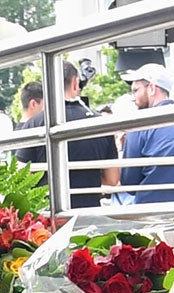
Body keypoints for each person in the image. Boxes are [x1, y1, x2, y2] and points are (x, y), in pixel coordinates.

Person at [16, 62, 118, 209]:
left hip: (46, 214)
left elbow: (20, 175)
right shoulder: (100, 124)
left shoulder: (35, 123)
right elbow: (112, 179)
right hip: (88, 210)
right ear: (75, 83)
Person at [118, 65, 174, 208]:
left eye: (136, 90)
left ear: (152, 88)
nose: (133, 97)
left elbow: (129, 183)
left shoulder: (141, 124)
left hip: (152, 213)